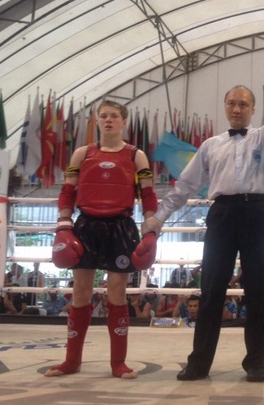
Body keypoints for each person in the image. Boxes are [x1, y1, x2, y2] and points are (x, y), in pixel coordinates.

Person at [142, 84, 264, 383]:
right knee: (211, 291)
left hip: (256, 213)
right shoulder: (210, 145)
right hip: (222, 215)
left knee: (257, 293)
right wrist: (159, 218)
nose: (237, 109)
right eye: (232, 103)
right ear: (225, 106)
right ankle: (199, 364)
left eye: (243, 104)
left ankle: (255, 363)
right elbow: (185, 185)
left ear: (253, 109)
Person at [45, 99, 158, 379]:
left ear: (123, 122)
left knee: (116, 292)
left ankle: (118, 362)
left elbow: (148, 194)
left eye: (114, 116)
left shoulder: (136, 156)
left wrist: (151, 229)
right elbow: (68, 191)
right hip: (86, 225)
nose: (108, 120)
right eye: (104, 116)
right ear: (97, 121)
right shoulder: (82, 154)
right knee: (81, 292)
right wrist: (63, 225)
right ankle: (71, 361)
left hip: (121, 226)